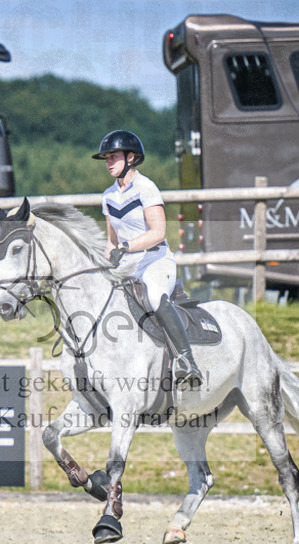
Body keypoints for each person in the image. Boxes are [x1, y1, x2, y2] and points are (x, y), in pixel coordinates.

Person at [94, 130, 202, 385]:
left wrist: (126, 246)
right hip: (127, 263)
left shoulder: (146, 188)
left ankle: (187, 361)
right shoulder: (108, 196)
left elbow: (158, 232)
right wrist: (105, 259)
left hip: (155, 260)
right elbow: (111, 240)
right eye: (106, 158)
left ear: (131, 157)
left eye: (113, 156)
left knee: (154, 297)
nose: (108, 162)